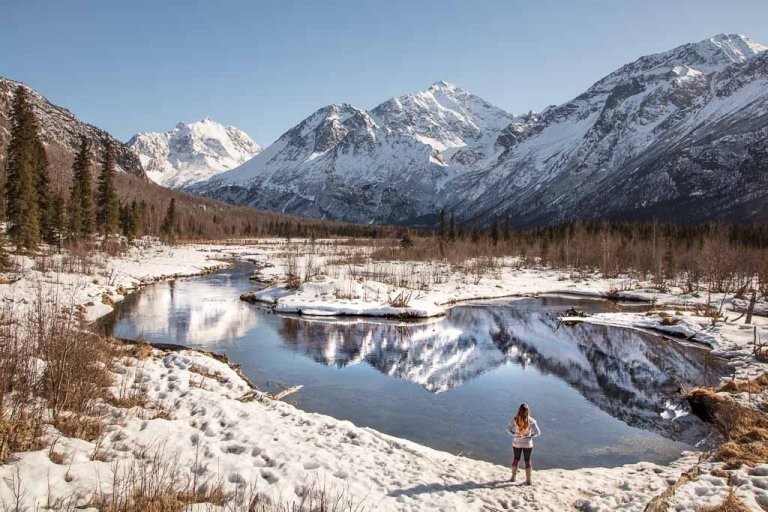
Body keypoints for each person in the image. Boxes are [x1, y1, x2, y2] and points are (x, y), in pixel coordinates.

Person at [506, 403, 541, 485]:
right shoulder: (531, 421)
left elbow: (508, 429)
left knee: (516, 459)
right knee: (527, 460)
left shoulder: (516, 419)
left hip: (517, 442)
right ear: (528, 411)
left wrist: (515, 434)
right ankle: (528, 480)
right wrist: (531, 436)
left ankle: (513, 478)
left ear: (519, 410)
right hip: (528, 443)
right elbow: (538, 433)